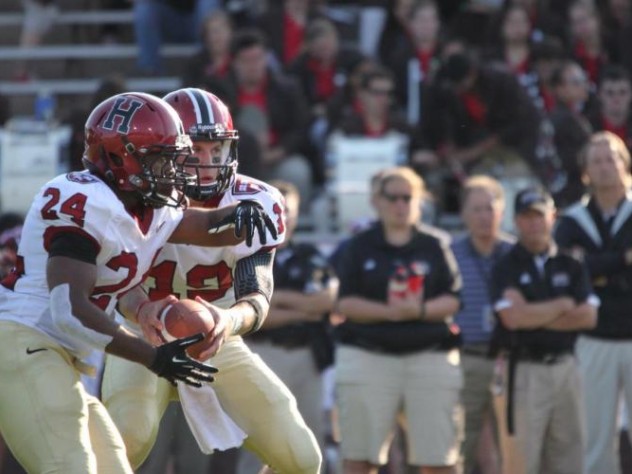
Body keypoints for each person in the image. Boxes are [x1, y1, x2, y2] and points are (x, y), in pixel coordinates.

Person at [0, 91, 276, 474]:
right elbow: (68, 310)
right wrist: (153, 358)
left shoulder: (148, 206)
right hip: (22, 341)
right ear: (118, 157)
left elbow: (199, 226)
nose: (173, 171)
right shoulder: (82, 199)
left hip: (58, 354)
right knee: (70, 467)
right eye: (161, 160)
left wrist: (241, 214)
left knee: (113, 467)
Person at [101, 88, 322, 474]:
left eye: (215, 149)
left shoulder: (257, 201)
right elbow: (115, 283)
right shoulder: (131, 199)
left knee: (301, 459)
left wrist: (226, 321)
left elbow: (257, 295)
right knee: (125, 440)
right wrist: (143, 307)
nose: (207, 162)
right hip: (142, 333)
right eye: (196, 150)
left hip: (215, 336)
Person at [333, 166, 463, 474]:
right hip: (368, 353)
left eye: (409, 197)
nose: (401, 205)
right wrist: (389, 312)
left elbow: (454, 299)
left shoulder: (435, 245)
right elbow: (343, 302)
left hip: (429, 354)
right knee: (359, 459)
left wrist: (417, 311)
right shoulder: (358, 245)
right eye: (393, 197)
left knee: (440, 460)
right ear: (377, 201)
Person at [490, 186, 599, 474]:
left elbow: (588, 317)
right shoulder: (505, 265)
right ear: (516, 221)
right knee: (521, 461)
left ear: (553, 217)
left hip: (565, 367)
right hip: (523, 368)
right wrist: (563, 304)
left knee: (569, 457)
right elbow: (512, 319)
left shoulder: (570, 263)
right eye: (527, 216)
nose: (534, 223)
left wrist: (533, 313)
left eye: (540, 215)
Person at [241, 179, 337, 474]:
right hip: (261, 354)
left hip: (306, 358)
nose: (282, 217)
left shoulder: (309, 254)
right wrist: (297, 308)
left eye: (289, 211)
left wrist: (275, 300)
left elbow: (326, 301)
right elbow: (249, 315)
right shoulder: (246, 253)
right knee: (257, 444)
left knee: (308, 444)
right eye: (276, 209)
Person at [554, 131, 632, 474]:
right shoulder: (572, 220)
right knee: (595, 438)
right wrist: (622, 261)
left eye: (611, 158)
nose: (605, 166)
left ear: (624, 163)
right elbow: (568, 272)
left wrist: (595, 266)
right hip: (593, 338)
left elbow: (586, 267)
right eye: (596, 160)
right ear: (585, 169)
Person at [451, 176, 514, 474]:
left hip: (510, 359)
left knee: (511, 443)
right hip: (467, 358)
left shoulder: (516, 253)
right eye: (476, 209)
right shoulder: (450, 253)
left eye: (490, 208)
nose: (484, 216)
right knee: (462, 439)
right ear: (463, 213)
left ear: (502, 211)